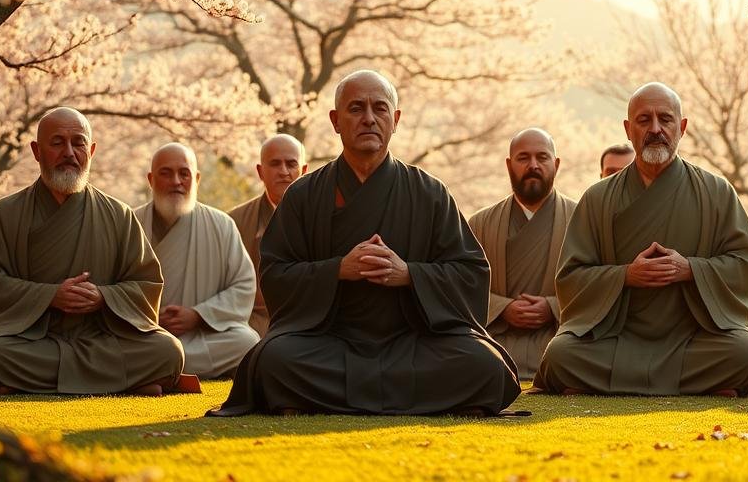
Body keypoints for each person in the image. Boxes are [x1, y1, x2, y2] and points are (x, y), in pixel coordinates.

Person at [210, 70, 520, 416]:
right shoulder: (304, 194)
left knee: (485, 364)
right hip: (328, 342)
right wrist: (338, 270)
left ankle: (309, 400)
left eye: (380, 108)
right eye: (356, 109)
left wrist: (410, 274)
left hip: (412, 342)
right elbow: (275, 274)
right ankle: (426, 399)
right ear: (335, 120)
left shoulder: (429, 192)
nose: (369, 118)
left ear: (396, 119)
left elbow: (471, 273)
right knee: (274, 360)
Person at [534, 82, 748, 396]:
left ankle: (609, 384)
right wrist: (625, 276)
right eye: (644, 120)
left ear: (682, 127)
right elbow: (570, 278)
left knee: (746, 354)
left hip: (695, 336)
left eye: (665, 119)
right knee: (560, 355)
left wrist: (690, 269)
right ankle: (706, 385)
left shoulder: (716, 192)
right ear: (628, 128)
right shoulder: (597, 198)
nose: (655, 129)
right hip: (617, 336)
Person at [0, 107, 183, 395]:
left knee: (168, 351)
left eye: (78, 143)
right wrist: (50, 296)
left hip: (102, 337)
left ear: (91, 150)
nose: (69, 152)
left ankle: (26, 385)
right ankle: (124, 382)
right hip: (30, 340)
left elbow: (147, 283)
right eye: (57, 143)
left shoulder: (118, 214)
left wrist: (105, 297)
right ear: (36, 151)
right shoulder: (4, 214)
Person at [136, 143, 260, 379]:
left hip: (201, 335)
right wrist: (148, 317)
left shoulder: (221, 224)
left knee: (247, 341)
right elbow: (112, 285)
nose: (176, 181)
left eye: (184, 173)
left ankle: (156, 369)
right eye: (166, 173)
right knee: (114, 344)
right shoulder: (130, 223)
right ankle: (166, 365)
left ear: (197, 178)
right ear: (151, 179)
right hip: (146, 333)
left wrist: (198, 315)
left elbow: (243, 285)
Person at [468, 128, 575, 379]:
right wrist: (502, 308)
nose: (533, 165)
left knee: (578, 354)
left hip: (560, 339)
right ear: (509, 165)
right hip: (494, 338)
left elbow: (596, 284)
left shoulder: (581, 219)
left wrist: (553, 307)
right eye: (523, 158)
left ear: (556, 164)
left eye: (542, 157)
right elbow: (463, 285)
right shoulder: (480, 223)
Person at [227, 134, 308, 335]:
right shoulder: (234, 222)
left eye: (291, 164)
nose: (283, 171)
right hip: (252, 319)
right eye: (275, 164)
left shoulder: (324, 216)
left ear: (304, 170)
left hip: (309, 316)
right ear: (260, 171)